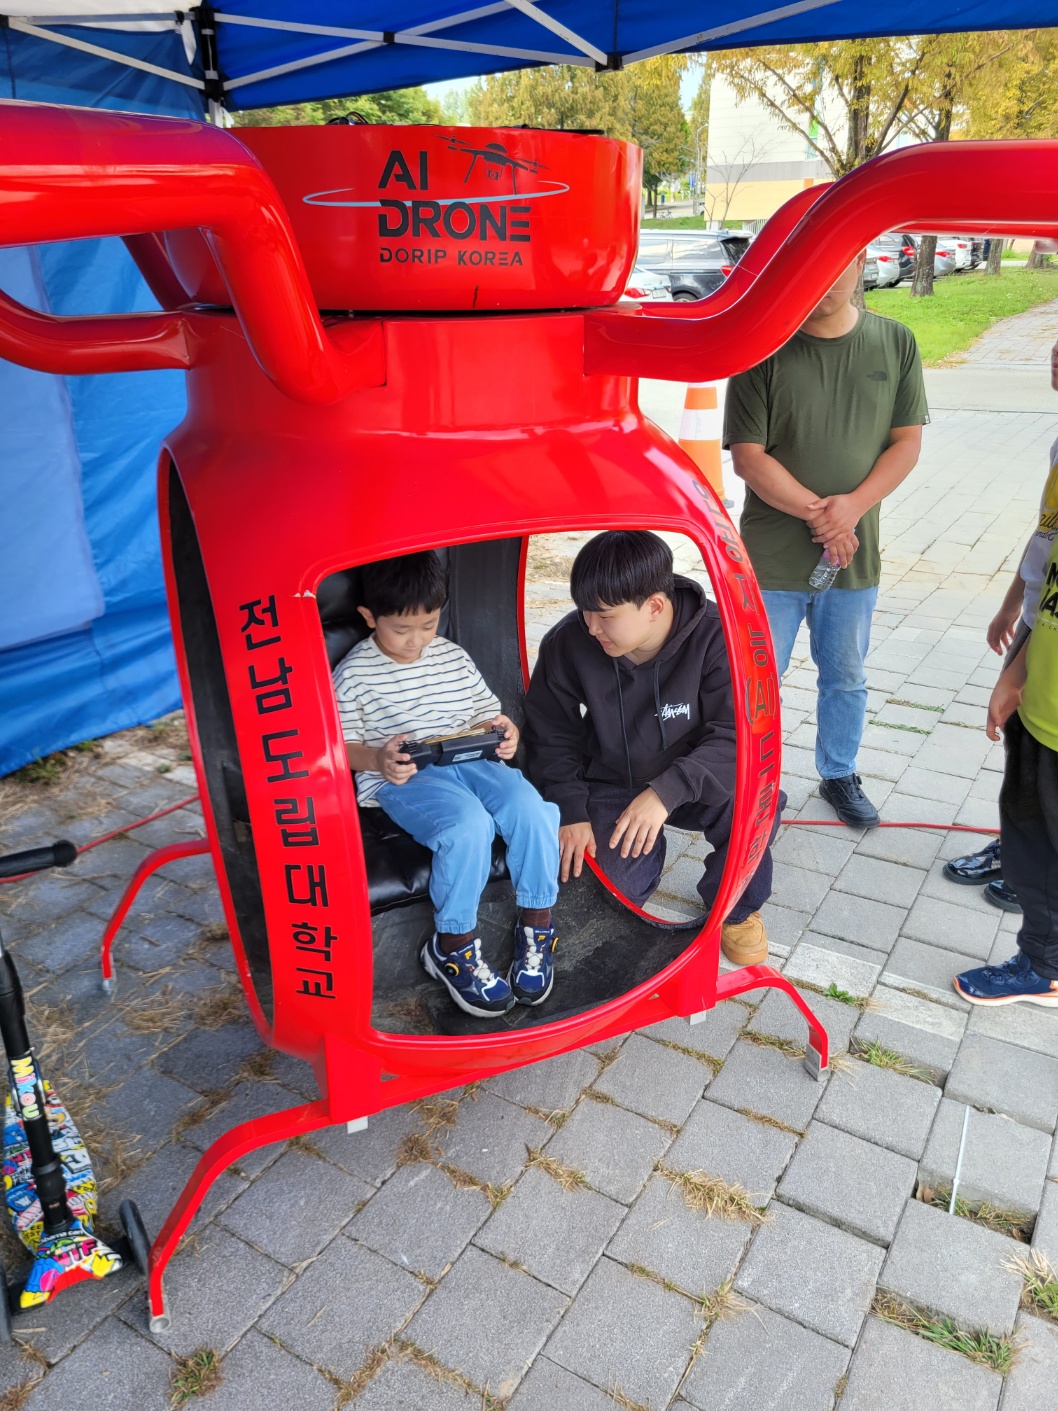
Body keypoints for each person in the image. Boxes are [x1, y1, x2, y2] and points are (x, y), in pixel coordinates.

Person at [724, 253, 928, 827]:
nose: (824, 279)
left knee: (846, 674)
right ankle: (745, 780)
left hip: (853, 560)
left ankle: (839, 771)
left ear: (860, 261)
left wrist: (854, 509)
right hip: (772, 558)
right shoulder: (761, 348)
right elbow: (748, 457)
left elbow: (906, 443)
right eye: (812, 265)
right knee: (756, 679)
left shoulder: (896, 342)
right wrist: (826, 519)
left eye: (837, 263)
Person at [523, 530, 782, 966]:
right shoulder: (569, 641)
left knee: (756, 799)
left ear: (655, 607)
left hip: (698, 775)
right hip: (611, 778)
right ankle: (631, 866)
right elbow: (550, 733)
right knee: (606, 903)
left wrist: (667, 791)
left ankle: (737, 910)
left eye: (604, 615)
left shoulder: (723, 637)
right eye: (584, 612)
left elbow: (742, 735)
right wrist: (569, 810)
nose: (591, 627)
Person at [332, 551, 560, 1018]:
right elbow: (341, 744)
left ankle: (537, 923)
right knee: (467, 826)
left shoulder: (450, 655)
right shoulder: (354, 674)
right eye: (400, 629)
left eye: (429, 625)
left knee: (532, 809)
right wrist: (376, 758)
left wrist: (504, 731)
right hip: (409, 778)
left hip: (472, 760)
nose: (416, 640)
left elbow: (483, 713)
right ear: (368, 617)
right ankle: (452, 944)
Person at [944, 336, 1058, 910]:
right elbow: (1046, 538)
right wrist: (1014, 602)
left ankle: (1034, 870)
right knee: (1024, 753)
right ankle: (1017, 849)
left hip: (1053, 637)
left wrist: (1018, 670)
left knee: (1044, 759)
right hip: (1041, 618)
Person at [953, 529, 1058, 1007]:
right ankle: (1042, 962)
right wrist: (1017, 674)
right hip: (1042, 707)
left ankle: (1045, 968)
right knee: (1030, 839)